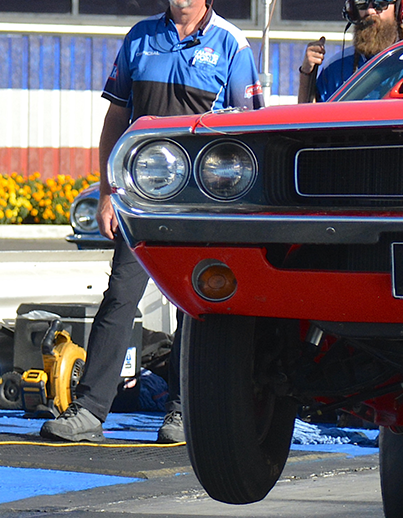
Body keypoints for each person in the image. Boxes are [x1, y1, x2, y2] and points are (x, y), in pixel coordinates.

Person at [40, 0, 264, 444]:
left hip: (205, 204)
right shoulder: (140, 37)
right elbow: (115, 119)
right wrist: (107, 193)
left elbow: (253, 128)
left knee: (195, 306)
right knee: (120, 297)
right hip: (143, 200)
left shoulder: (232, 43)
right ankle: (88, 411)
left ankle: (182, 411)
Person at [297, 0, 403, 104]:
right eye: (361, 3)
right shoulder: (335, 68)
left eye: (380, 3)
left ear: (399, 10)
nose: (370, 11)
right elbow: (309, 118)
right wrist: (307, 73)